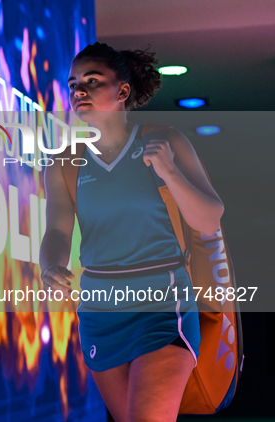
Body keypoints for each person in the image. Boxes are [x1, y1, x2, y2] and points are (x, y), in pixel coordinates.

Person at [39, 42, 225, 422]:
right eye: (74, 83)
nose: (79, 91)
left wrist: (170, 173)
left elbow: (209, 218)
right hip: (98, 311)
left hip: (162, 302)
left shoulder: (165, 141)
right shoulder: (66, 162)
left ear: (122, 91)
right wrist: (50, 267)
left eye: (92, 81)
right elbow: (57, 231)